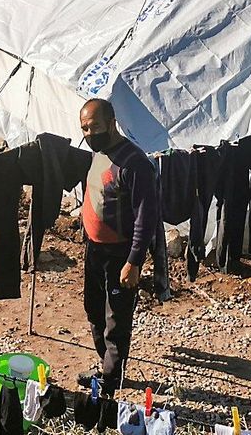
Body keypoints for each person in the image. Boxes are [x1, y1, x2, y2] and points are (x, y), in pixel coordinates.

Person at [78, 98, 159, 395]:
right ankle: (105, 367)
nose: (89, 133)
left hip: (120, 255)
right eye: (84, 128)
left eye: (94, 126)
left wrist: (134, 261)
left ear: (112, 123)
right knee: (93, 310)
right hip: (95, 250)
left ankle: (111, 383)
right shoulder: (99, 153)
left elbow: (146, 216)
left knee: (116, 322)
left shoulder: (135, 163)